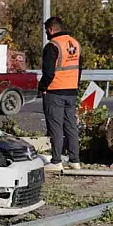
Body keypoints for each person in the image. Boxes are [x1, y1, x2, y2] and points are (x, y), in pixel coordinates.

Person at [39, 17, 82, 172]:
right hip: (71, 91)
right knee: (71, 126)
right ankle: (74, 160)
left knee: (56, 127)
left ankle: (56, 161)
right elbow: (79, 68)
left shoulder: (52, 46)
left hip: (55, 91)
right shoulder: (75, 44)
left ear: (50, 30)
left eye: (46, 31)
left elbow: (48, 72)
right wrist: (75, 86)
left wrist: (42, 87)